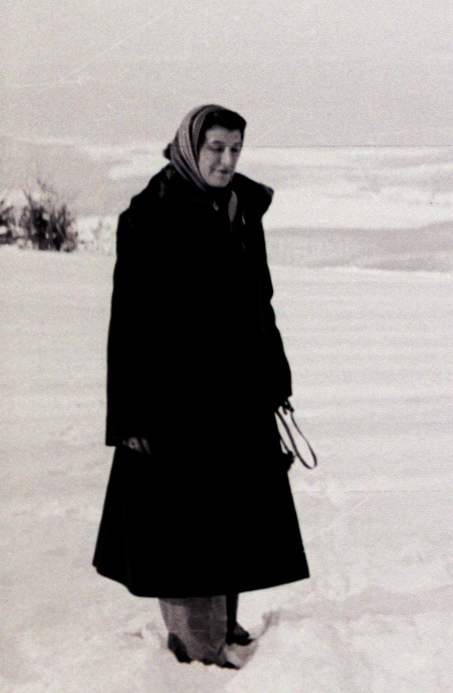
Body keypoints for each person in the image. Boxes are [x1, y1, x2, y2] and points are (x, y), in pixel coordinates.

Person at [92, 104, 309, 668]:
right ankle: (194, 654)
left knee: (230, 517)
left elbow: (260, 303)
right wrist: (131, 418)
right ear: (191, 146)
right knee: (183, 528)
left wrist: (276, 375)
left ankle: (221, 629)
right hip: (176, 403)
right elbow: (130, 323)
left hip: (238, 396)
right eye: (216, 147)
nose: (227, 159)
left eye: (235, 149)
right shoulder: (151, 216)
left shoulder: (239, 208)